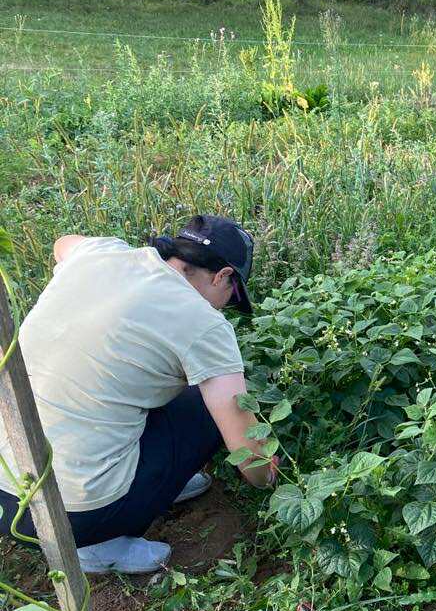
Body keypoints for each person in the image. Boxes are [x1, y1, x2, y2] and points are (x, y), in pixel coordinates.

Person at [0, 215, 278, 574]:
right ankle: (98, 546)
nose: (224, 307)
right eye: (232, 296)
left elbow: (63, 243)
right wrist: (270, 476)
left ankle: (157, 484)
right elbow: (250, 455)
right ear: (222, 276)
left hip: (7, 495)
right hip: (67, 519)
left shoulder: (100, 253)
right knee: (205, 406)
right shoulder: (204, 324)